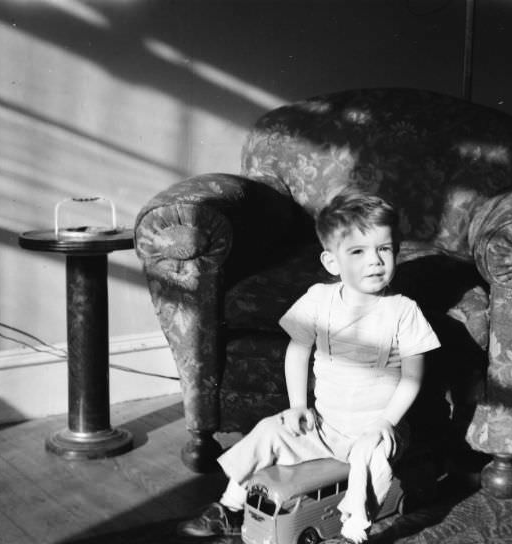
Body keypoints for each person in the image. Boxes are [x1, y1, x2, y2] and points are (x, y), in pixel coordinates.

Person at [177, 189, 440, 543]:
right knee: (270, 431)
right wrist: (298, 406)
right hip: (326, 426)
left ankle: (354, 529)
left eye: (385, 249)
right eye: (358, 252)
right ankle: (230, 506)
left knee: (369, 457)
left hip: (376, 429)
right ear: (332, 262)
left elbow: (412, 378)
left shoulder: (403, 311)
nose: (375, 261)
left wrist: (385, 423)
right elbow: (298, 351)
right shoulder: (319, 299)